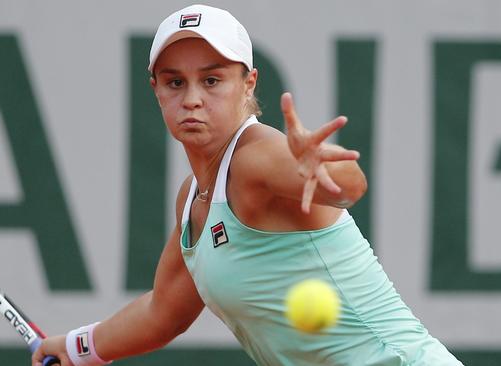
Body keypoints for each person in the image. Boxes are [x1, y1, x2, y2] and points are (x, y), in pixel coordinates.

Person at [32, 4, 463, 366]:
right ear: (156, 90)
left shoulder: (256, 158)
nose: (193, 98)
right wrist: (74, 348)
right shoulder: (194, 198)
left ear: (248, 83)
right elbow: (162, 313)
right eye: (175, 82)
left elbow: (347, 187)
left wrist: (321, 169)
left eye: (212, 79)